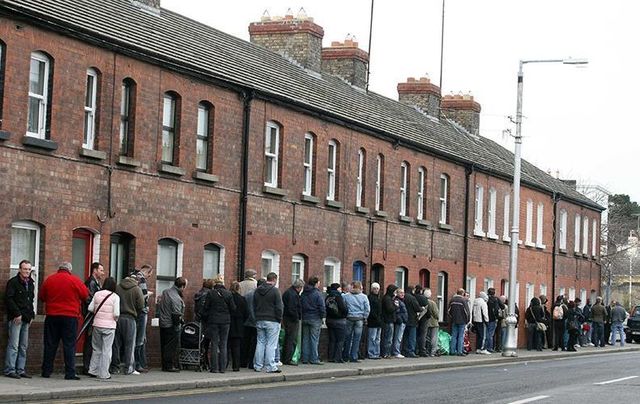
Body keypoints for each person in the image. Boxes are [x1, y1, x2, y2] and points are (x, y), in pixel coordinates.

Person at [40, 262, 89, 380]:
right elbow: (85, 295)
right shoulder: (75, 280)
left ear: (59, 269)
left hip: (52, 316)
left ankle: (46, 371)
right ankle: (70, 373)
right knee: (69, 345)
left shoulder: (49, 280)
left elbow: (42, 297)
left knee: (50, 344)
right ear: (69, 270)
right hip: (70, 317)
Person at [4, 259, 35, 379]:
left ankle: (20, 369)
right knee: (14, 345)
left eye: (29, 269)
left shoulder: (30, 283)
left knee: (23, 346)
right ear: (20, 270)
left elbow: (30, 301)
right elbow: (9, 299)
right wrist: (17, 314)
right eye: (25, 269)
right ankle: (10, 369)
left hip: (26, 318)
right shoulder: (13, 282)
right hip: (16, 318)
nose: (27, 271)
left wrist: (31, 315)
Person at [111, 273, 144, 375]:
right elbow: (141, 305)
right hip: (130, 318)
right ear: (135, 280)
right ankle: (128, 368)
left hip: (117, 317)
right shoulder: (137, 289)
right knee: (130, 344)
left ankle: (114, 367)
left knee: (116, 344)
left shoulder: (117, 287)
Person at [202, 274, 236, 373]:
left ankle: (214, 368)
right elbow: (233, 308)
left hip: (213, 321)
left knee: (214, 344)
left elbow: (206, 308)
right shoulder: (228, 294)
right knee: (223, 344)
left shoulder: (211, 293)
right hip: (225, 321)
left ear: (215, 283)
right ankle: (223, 368)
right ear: (223, 283)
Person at [88, 277, 119, 380]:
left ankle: (92, 370)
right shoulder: (115, 297)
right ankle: (104, 373)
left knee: (96, 348)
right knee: (106, 350)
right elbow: (116, 313)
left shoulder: (97, 294)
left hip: (97, 325)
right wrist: (115, 320)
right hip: (109, 327)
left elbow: (90, 308)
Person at [253, 272, 283, 373]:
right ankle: (270, 366)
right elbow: (279, 307)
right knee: (271, 344)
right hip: (272, 320)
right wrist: (279, 319)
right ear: (274, 279)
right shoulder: (275, 291)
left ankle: (258, 365)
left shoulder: (257, 291)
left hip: (259, 319)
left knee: (260, 342)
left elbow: (254, 305)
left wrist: (256, 317)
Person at [157, 277, 188, 372]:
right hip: (171, 325)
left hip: (163, 322)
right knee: (171, 347)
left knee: (164, 345)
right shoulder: (176, 298)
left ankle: (165, 365)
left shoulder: (166, 292)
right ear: (182, 286)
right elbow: (176, 314)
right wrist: (178, 325)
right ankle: (169, 366)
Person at [82, 262, 104, 375]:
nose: (102, 272)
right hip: (90, 317)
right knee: (90, 341)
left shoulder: (96, 283)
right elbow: (89, 300)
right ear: (95, 270)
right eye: (101, 270)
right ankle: (87, 366)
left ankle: (90, 366)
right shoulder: (91, 283)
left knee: (92, 342)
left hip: (94, 317)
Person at [342, 281, 370, 363]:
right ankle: (354, 357)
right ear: (359, 287)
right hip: (359, 319)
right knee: (357, 339)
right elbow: (367, 309)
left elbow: (343, 306)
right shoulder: (364, 297)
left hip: (349, 317)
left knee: (348, 338)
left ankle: (345, 356)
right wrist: (365, 317)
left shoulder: (345, 296)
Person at [132, 265, 152, 373]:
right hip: (141, 312)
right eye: (149, 274)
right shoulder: (142, 279)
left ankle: (135, 363)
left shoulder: (133, 277)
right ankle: (137, 364)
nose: (149, 277)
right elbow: (143, 296)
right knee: (139, 340)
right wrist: (148, 296)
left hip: (133, 312)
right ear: (147, 272)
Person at [300, 277, 325, 365]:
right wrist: (322, 317)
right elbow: (322, 307)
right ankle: (314, 358)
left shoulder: (303, 293)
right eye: (318, 283)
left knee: (305, 338)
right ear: (315, 284)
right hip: (315, 318)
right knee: (314, 339)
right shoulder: (317, 294)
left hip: (305, 317)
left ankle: (305, 358)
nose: (319, 284)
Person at [243, 278, 265, 369]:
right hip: (256, 322)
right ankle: (252, 363)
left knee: (245, 343)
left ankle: (243, 362)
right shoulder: (261, 295)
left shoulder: (247, 294)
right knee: (255, 343)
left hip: (247, 322)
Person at [281, 279, 303, 366]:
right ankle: (288, 358)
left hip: (287, 318)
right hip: (291, 320)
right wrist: (297, 317)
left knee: (288, 339)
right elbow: (292, 308)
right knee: (291, 339)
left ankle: (286, 358)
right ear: (299, 287)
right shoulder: (293, 295)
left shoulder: (289, 292)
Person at [228, 281, 248, 371]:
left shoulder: (228, 298)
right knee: (236, 347)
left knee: (226, 345)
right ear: (239, 289)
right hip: (239, 324)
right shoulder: (242, 299)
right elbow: (246, 313)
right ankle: (236, 366)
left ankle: (224, 364)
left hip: (228, 323)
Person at [325, 283, 347, 363]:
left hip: (329, 320)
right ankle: (337, 357)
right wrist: (345, 314)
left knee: (332, 340)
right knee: (340, 340)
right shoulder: (338, 297)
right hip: (339, 321)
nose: (341, 290)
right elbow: (343, 308)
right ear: (337, 289)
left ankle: (330, 357)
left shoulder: (328, 296)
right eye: (340, 288)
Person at [400, 285, 422, 358]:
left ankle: (404, 350)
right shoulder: (412, 298)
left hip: (404, 319)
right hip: (412, 319)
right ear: (412, 290)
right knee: (412, 337)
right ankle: (411, 351)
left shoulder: (403, 297)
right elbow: (417, 308)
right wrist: (421, 308)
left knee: (405, 336)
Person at [448, 288, 470, 356]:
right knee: (461, 336)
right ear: (462, 293)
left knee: (454, 335)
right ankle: (459, 351)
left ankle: (452, 351)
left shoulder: (452, 300)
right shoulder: (463, 300)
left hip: (454, 320)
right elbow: (467, 312)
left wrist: (452, 317)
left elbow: (448, 311)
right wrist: (467, 320)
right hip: (462, 321)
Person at [381, 284, 399, 358]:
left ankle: (387, 353)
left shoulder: (389, 298)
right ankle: (386, 353)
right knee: (388, 338)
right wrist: (396, 306)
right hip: (388, 320)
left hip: (389, 320)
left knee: (388, 338)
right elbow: (390, 309)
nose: (395, 293)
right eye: (395, 291)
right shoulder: (387, 299)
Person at [366, 283, 383, 360]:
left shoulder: (378, 298)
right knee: (372, 338)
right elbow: (371, 310)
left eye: (377, 289)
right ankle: (371, 353)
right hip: (373, 321)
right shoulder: (370, 298)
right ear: (371, 289)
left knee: (377, 339)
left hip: (378, 321)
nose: (376, 290)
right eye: (375, 288)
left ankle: (376, 353)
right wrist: (376, 317)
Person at [423, 288, 440, 357]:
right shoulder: (432, 303)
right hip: (433, 322)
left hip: (426, 322)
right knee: (434, 338)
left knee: (427, 337)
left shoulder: (423, 302)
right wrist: (437, 318)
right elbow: (436, 313)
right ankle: (433, 352)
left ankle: (427, 350)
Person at [486, 287, 504, 353]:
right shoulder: (496, 299)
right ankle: (490, 348)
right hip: (494, 318)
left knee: (487, 333)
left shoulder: (486, 299)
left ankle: (486, 347)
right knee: (491, 334)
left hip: (486, 318)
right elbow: (502, 307)